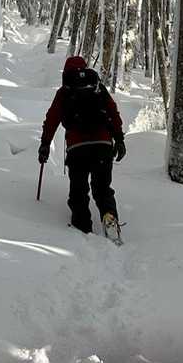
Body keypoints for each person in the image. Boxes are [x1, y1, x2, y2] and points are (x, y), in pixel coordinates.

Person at [38, 54, 125, 237]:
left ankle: (82, 229)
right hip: (103, 145)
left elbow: (52, 119)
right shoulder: (98, 87)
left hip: (77, 148)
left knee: (79, 190)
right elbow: (113, 111)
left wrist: (45, 144)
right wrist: (119, 139)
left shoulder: (64, 92)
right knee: (102, 189)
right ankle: (109, 217)